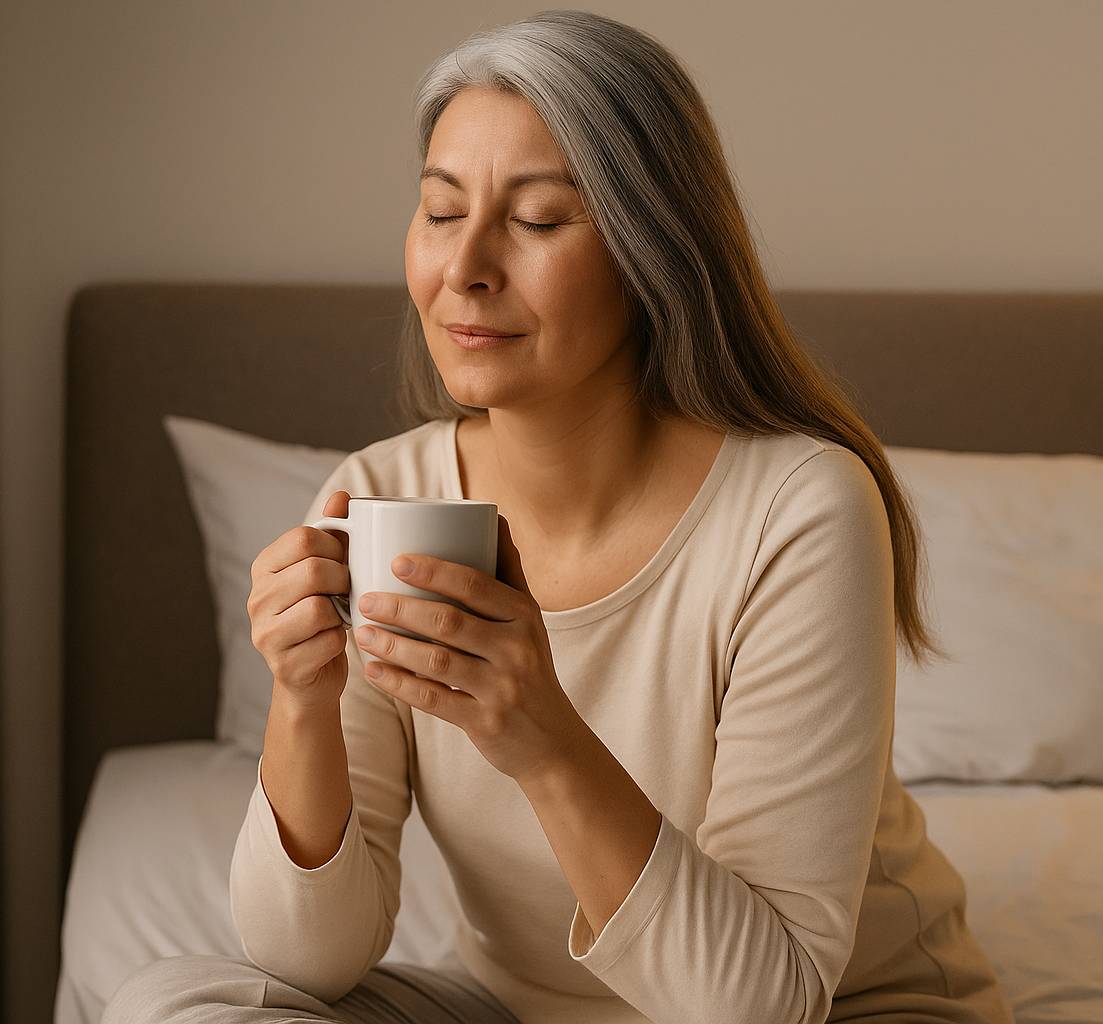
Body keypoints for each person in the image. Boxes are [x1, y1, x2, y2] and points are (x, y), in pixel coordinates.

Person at [101, 10, 1013, 1024]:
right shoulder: (384, 494)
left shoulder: (797, 510)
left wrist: (542, 739)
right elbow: (308, 962)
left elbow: (761, 1003)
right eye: (441, 211)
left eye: (537, 221)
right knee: (169, 1005)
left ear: (652, 251)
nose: (466, 267)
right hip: (522, 1011)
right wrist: (303, 701)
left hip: (832, 1010)